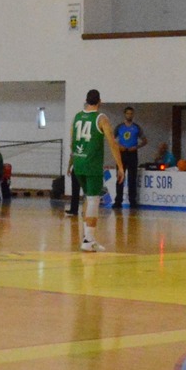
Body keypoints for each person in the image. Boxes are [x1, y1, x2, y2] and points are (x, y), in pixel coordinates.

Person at [69, 89, 119, 253]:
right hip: (92, 166)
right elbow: (112, 143)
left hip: (79, 164)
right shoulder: (101, 118)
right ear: (100, 101)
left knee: (87, 199)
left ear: (86, 100)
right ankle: (89, 240)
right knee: (93, 201)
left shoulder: (77, 117)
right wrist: (121, 166)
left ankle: (87, 237)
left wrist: (71, 163)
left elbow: (72, 142)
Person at [112, 108, 145, 211]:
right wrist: (118, 146)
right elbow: (111, 139)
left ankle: (132, 201)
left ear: (133, 115)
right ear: (124, 114)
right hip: (121, 154)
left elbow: (145, 140)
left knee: (132, 178)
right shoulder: (119, 127)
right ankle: (118, 201)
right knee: (120, 177)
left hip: (132, 153)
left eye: (131, 114)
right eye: (128, 113)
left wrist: (136, 147)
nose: (129, 115)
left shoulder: (137, 127)